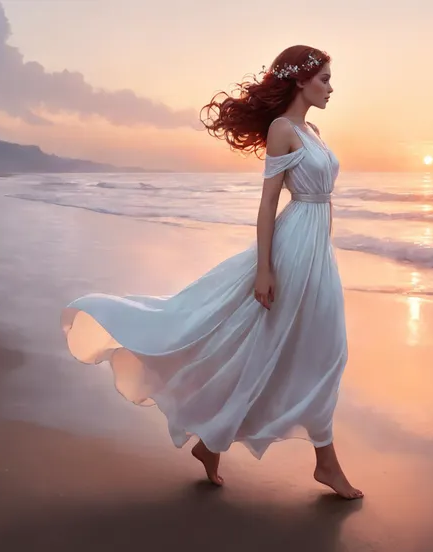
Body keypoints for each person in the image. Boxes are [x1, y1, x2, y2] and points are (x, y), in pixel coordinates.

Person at [61, 45, 363, 500]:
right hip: (291, 251)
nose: (330, 87)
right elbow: (267, 205)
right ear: (300, 81)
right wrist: (265, 269)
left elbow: (324, 202)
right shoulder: (284, 130)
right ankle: (325, 463)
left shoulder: (314, 130)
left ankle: (212, 443)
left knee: (322, 351)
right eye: (323, 78)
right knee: (290, 353)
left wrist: (326, 252)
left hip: (317, 251)